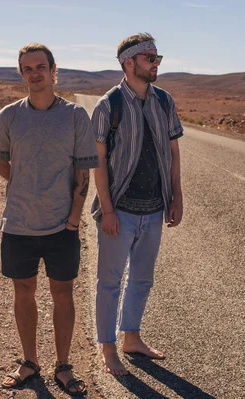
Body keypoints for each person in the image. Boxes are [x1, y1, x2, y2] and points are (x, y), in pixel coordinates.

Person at [0, 43, 99, 396]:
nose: (34, 73)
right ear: (21, 74)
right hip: (18, 223)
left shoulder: (75, 116)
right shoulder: (9, 115)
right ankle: (30, 362)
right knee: (23, 292)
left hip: (60, 226)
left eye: (40, 66)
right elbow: (0, 162)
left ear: (54, 70)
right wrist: (27, 184)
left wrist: (73, 219)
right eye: (27, 68)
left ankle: (63, 365)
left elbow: (84, 170)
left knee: (63, 294)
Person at [90, 33, 184, 376]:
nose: (156, 63)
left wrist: (176, 196)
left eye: (158, 58)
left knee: (142, 279)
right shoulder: (107, 105)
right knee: (109, 282)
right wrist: (108, 210)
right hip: (120, 211)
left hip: (155, 209)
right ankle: (108, 348)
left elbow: (173, 151)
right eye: (149, 58)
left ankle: (132, 338)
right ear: (128, 63)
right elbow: (97, 161)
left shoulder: (164, 101)